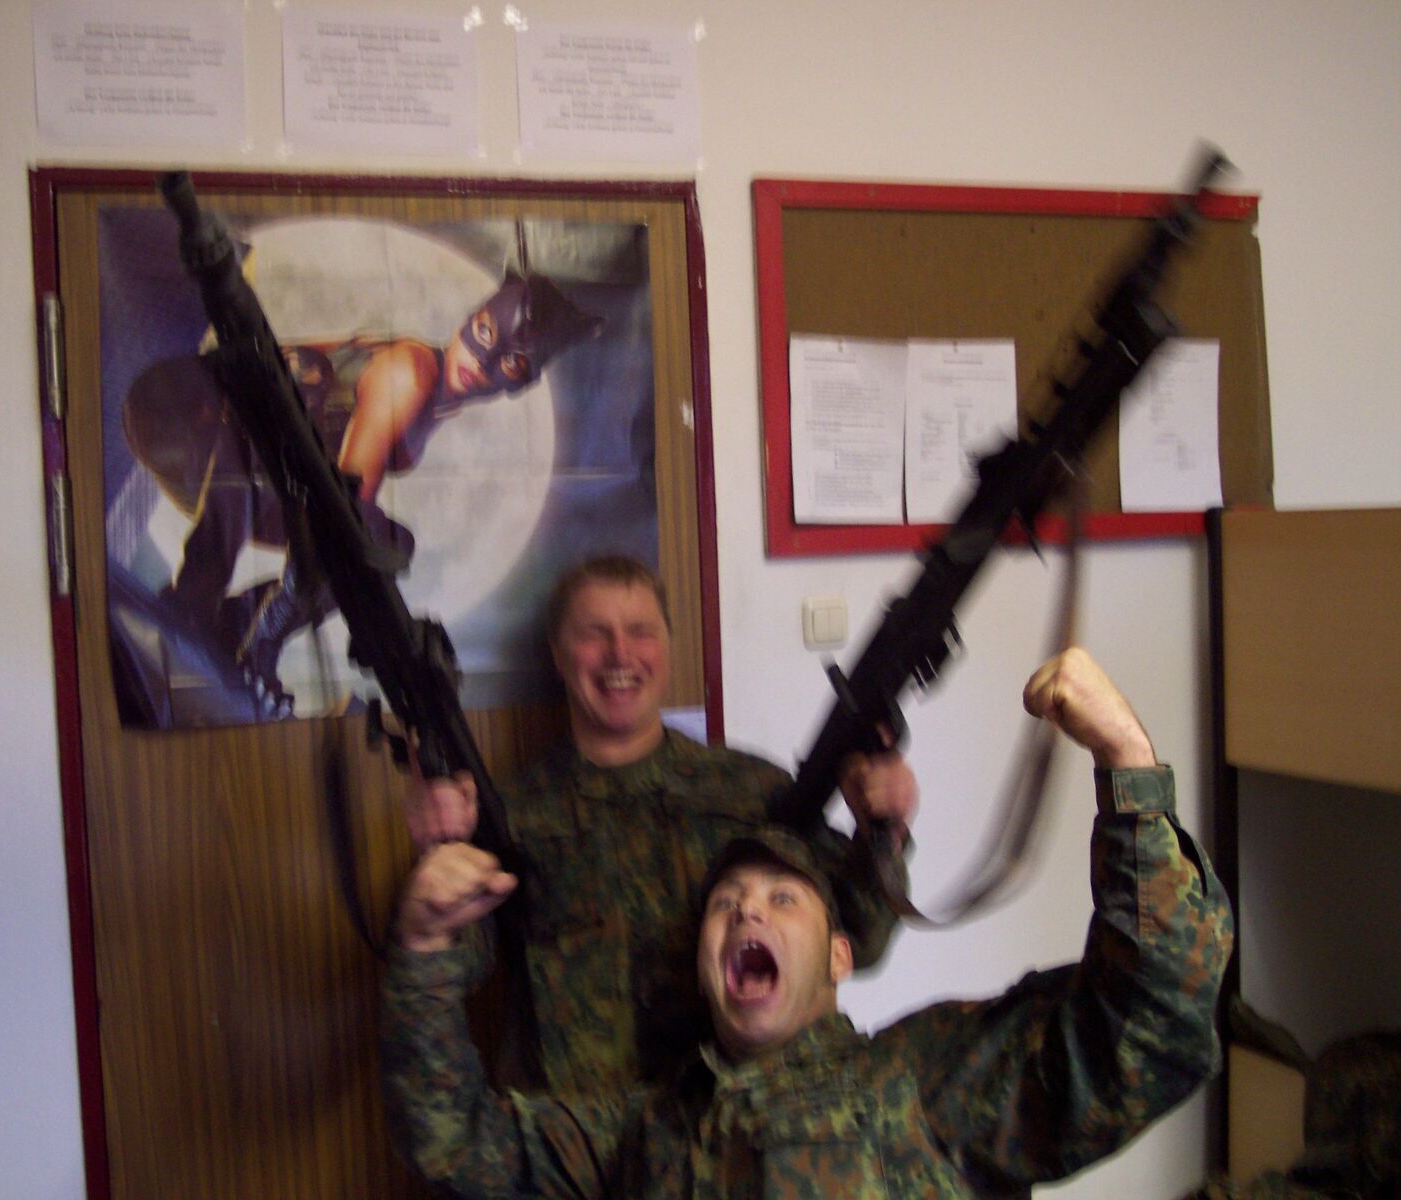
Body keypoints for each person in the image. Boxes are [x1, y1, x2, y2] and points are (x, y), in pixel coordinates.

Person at [382, 647, 1235, 1197]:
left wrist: (1129, 769)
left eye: (783, 898)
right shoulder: (641, 1133)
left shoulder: (922, 1085)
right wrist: (422, 950)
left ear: (838, 956)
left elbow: (1151, 1030)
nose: (748, 907)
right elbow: (457, 1140)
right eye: (725, 904)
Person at [404, 555, 919, 1093]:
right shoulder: (512, 815)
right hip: (574, 1136)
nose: (620, 654)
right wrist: (440, 851)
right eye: (594, 634)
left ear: (668, 646)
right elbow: (453, 967)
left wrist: (882, 830)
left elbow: (862, 940)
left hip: (734, 1124)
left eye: (641, 632)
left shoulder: (753, 792)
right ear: (557, 655)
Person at [121, 270, 601, 713]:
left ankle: (231, 622)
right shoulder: (409, 373)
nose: (483, 360)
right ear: (468, 321)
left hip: (248, 471)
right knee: (364, 539)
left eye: (512, 362)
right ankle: (217, 615)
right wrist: (271, 637)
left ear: (524, 382)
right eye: (485, 333)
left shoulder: (433, 387)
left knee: (383, 544)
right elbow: (343, 516)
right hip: (196, 436)